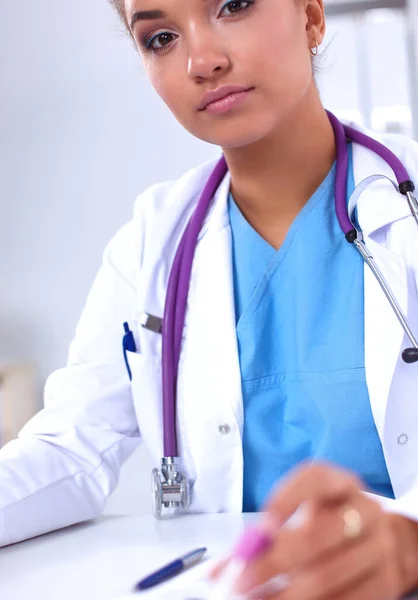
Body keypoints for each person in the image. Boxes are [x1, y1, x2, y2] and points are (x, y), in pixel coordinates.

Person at [1, 0, 418, 597]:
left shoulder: (406, 209)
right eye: (161, 37)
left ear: (311, 15)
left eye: (234, 5)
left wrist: (408, 538)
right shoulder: (152, 244)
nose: (201, 60)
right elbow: (71, 449)